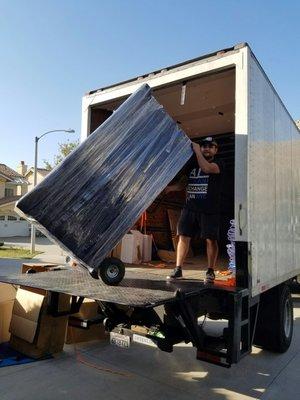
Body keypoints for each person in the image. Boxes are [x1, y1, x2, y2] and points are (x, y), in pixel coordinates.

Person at [165, 136, 224, 284]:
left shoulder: (219, 163)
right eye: (203, 146)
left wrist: (197, 151)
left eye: (211, 146)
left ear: (216, 150)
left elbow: (206, 168)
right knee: (183, 237)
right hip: (190, 208)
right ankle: (178, 269)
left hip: (209, 209)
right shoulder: (192, 165)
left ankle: (210, 271)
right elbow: (183, 184)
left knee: (211, 240)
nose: (206, 148)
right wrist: (169, 188)